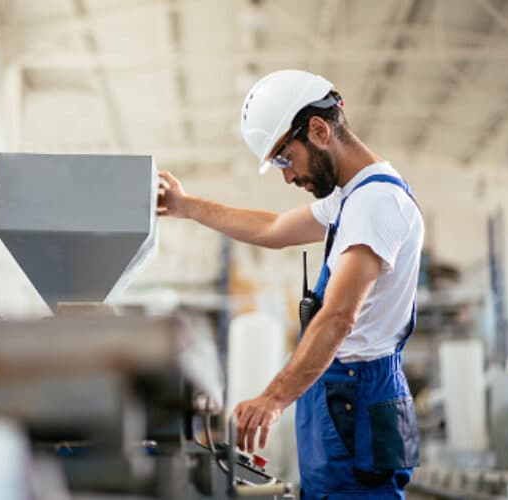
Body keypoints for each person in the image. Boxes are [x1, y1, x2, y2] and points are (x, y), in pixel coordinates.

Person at [157, 69, 423, 498]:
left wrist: (273, 398)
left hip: (357, 393)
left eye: (284, 157)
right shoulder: (352, 197)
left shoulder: (376, 203)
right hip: (343, 391)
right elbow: (273, 228)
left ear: (318, 130)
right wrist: (187, 207)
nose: (287, 176)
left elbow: (338, 316)